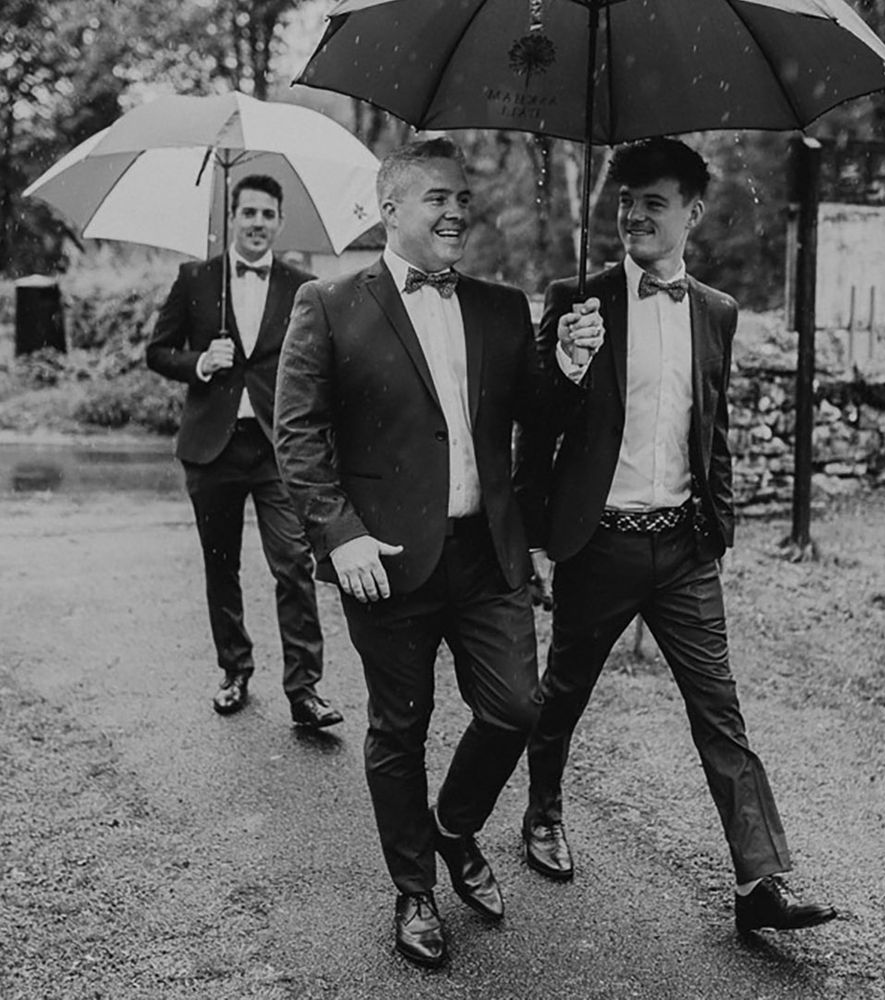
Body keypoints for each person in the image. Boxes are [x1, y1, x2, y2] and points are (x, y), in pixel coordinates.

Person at [273, 137, 601, 969]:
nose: (457, 211)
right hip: (384, 560)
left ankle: (453, 828)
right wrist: (341, 534)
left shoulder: (501, 307)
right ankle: (414, 889)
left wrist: (569, 364)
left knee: (517, 708)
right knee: (400, 727)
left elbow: (538, 418)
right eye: (438, 198)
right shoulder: (329, 303)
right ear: (390, 210)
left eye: (463, 197)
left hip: (487, 553)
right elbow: (297, 436)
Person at [518, 137, 836, 936]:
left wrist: (716, 528)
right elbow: (536, 423)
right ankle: (542, 813)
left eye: (652, 203)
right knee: (564, 693)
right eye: (626, 201)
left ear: (691, 213)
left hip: (685, 551)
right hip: (599, 544)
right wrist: (568, 363)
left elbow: (711, 429)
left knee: (720, 710)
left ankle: (758, 882)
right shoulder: (577, 298)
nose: (633, 215)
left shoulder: (717, 312)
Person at [147, 174, 341, 730]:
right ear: (232, 217)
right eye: (248, 212)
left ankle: (304, 690)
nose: (257, 222)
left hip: (280, 448)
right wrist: (201, 362)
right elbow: (157, 351)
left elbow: (321, 365)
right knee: (221, 564)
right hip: (212, 447)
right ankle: (234, 670)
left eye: (267, 214)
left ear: (280, 221)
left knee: (294, 565)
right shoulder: (196, 279)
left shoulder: (304, 286)